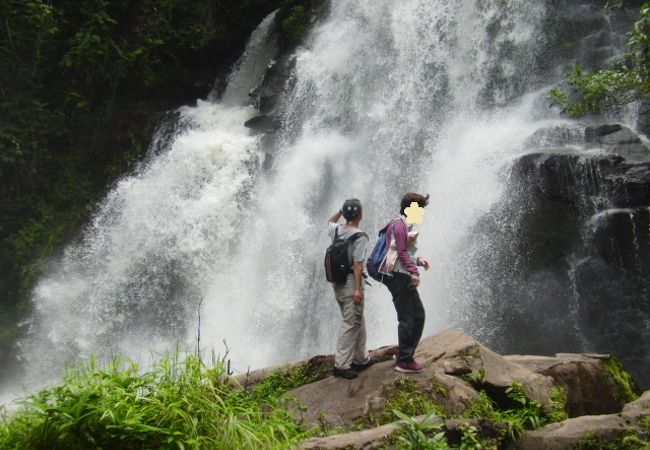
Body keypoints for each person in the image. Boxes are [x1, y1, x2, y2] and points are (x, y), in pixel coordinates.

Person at [381, 193, 431, 373]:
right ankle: (404, 360)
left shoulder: (402, 224)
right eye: (421, 209)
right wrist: (415, 272)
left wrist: (417, 261)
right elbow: (401, 253)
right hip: (398, 277)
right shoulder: (400, 226)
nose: (423, 213)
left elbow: (399, 254)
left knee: (418, 315)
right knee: (408, 317)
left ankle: (404, 354)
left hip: (401, 275)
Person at [327, 199, 376, 379]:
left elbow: (330, 221)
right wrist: (358, 289)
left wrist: (340, 210)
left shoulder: (336, 230)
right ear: (360, 214)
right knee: (350, 323)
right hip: (350, 286)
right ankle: (341, 365)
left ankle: (361, 359)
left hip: (338, 285)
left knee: (357, 320)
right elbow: (357, 264)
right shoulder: (360, 236)